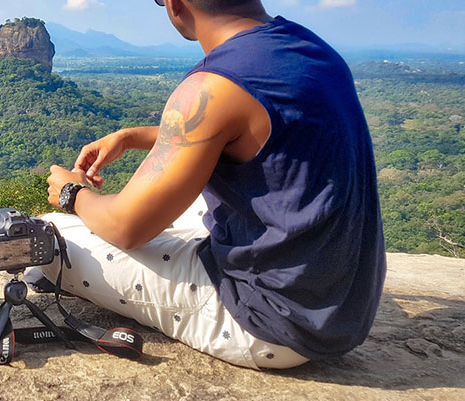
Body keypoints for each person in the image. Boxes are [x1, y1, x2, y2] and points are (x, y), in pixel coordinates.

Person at [38, 0, 386, 369]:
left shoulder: (211, 85)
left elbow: (126, 229)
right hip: (339, 305)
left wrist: (72, 192)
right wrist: (133, 136)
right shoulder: (310, 48)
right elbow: (250, 131)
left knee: (48, 236)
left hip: (269, 322)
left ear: (175, 4)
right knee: (182, 199)